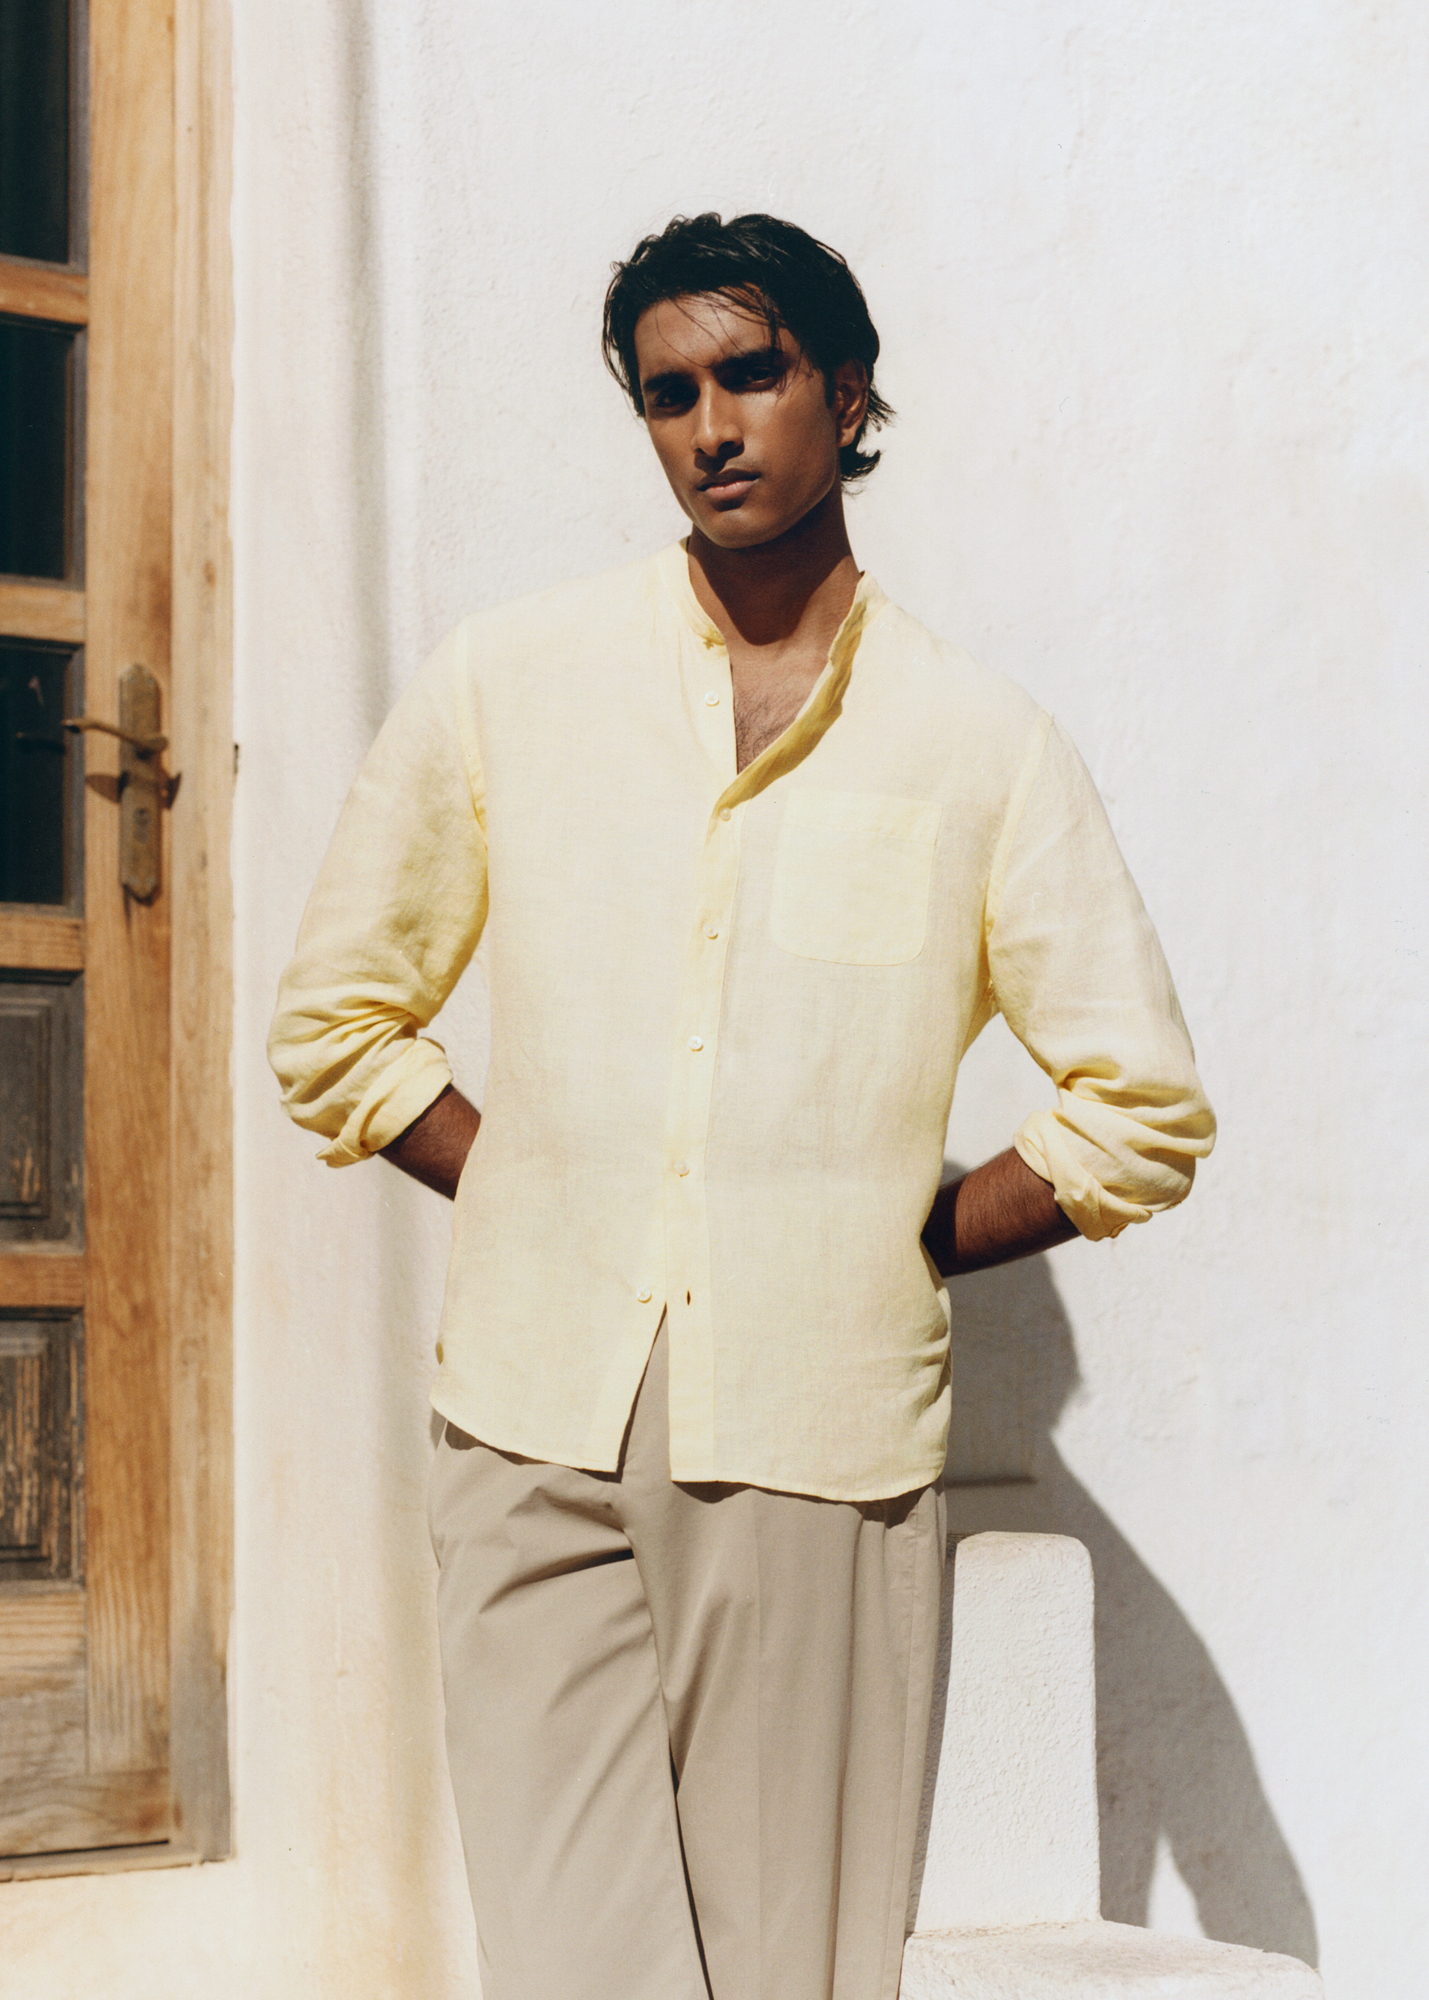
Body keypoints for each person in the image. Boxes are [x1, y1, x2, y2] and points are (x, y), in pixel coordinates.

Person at [268, 212, 1215, 2000]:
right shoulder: (509, 682)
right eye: (666, 393)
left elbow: (1138, 1108)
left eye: (750, 374)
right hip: (527, 1418)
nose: (709, 427)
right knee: (569, 1965)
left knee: (790, 1972)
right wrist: (544, 1186)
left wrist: (898, 1236)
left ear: (844, 394)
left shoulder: (978, 742)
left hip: (811, 1437)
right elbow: (337, 1025)